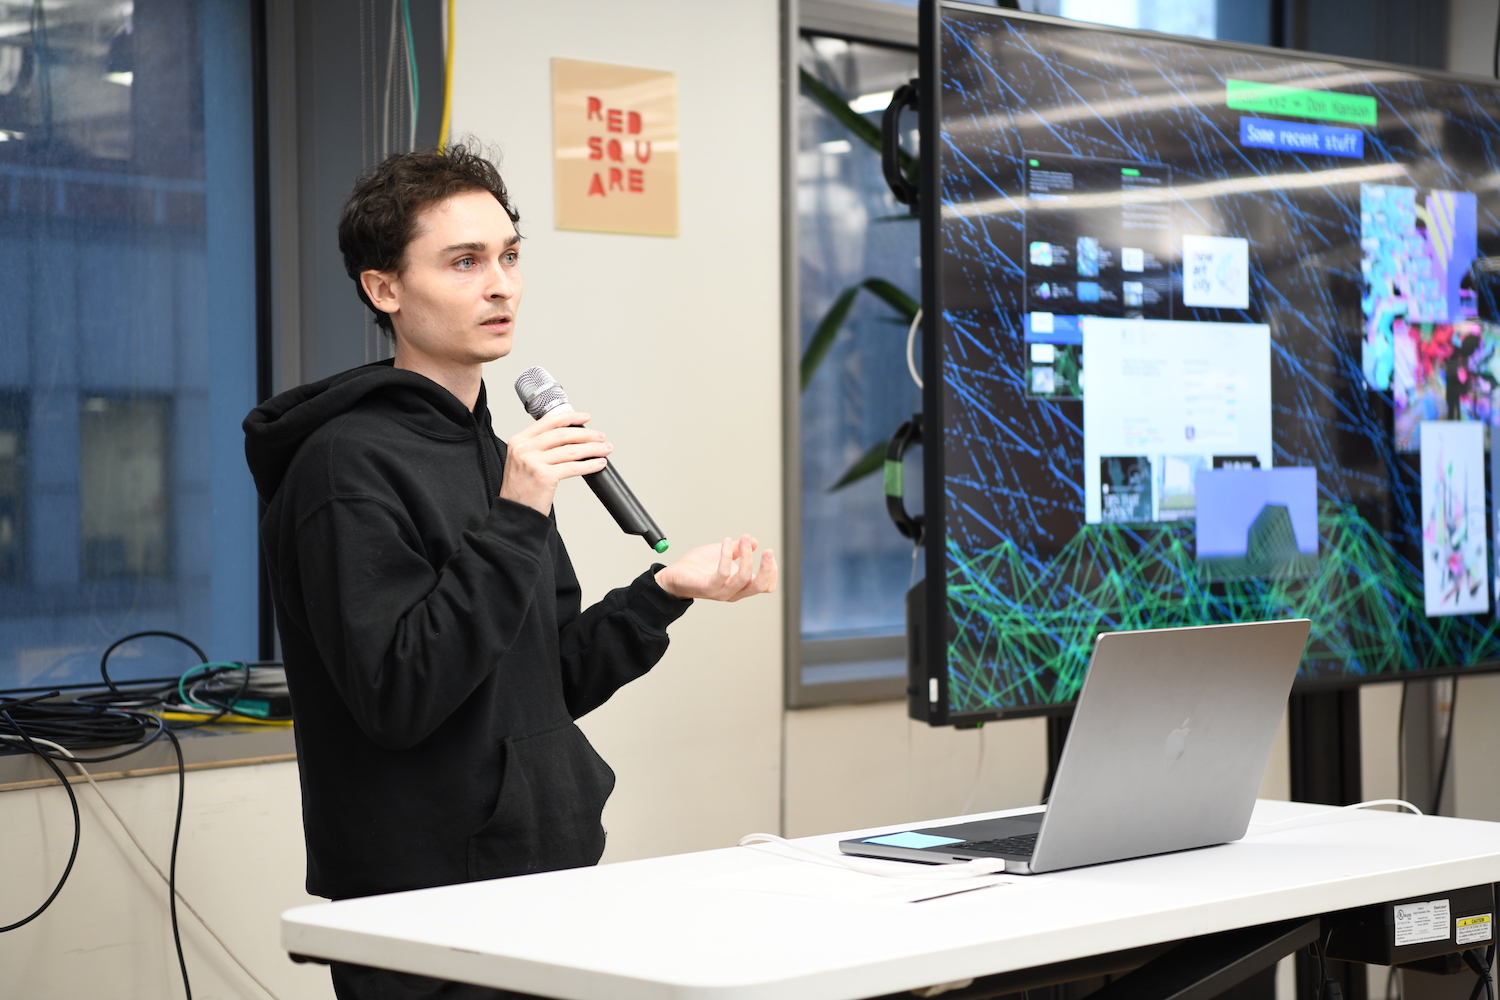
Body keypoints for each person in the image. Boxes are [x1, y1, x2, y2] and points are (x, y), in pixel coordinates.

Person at [242, 145, 775, 1000]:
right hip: (425, 911)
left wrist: (662, 593)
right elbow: (400, 694)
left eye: (510, 255)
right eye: (464, 261)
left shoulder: (496, 455)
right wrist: (518, 512)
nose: (501, 285)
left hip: (543, 880)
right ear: (385, 289)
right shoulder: (343, 467)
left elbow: (544, 678)